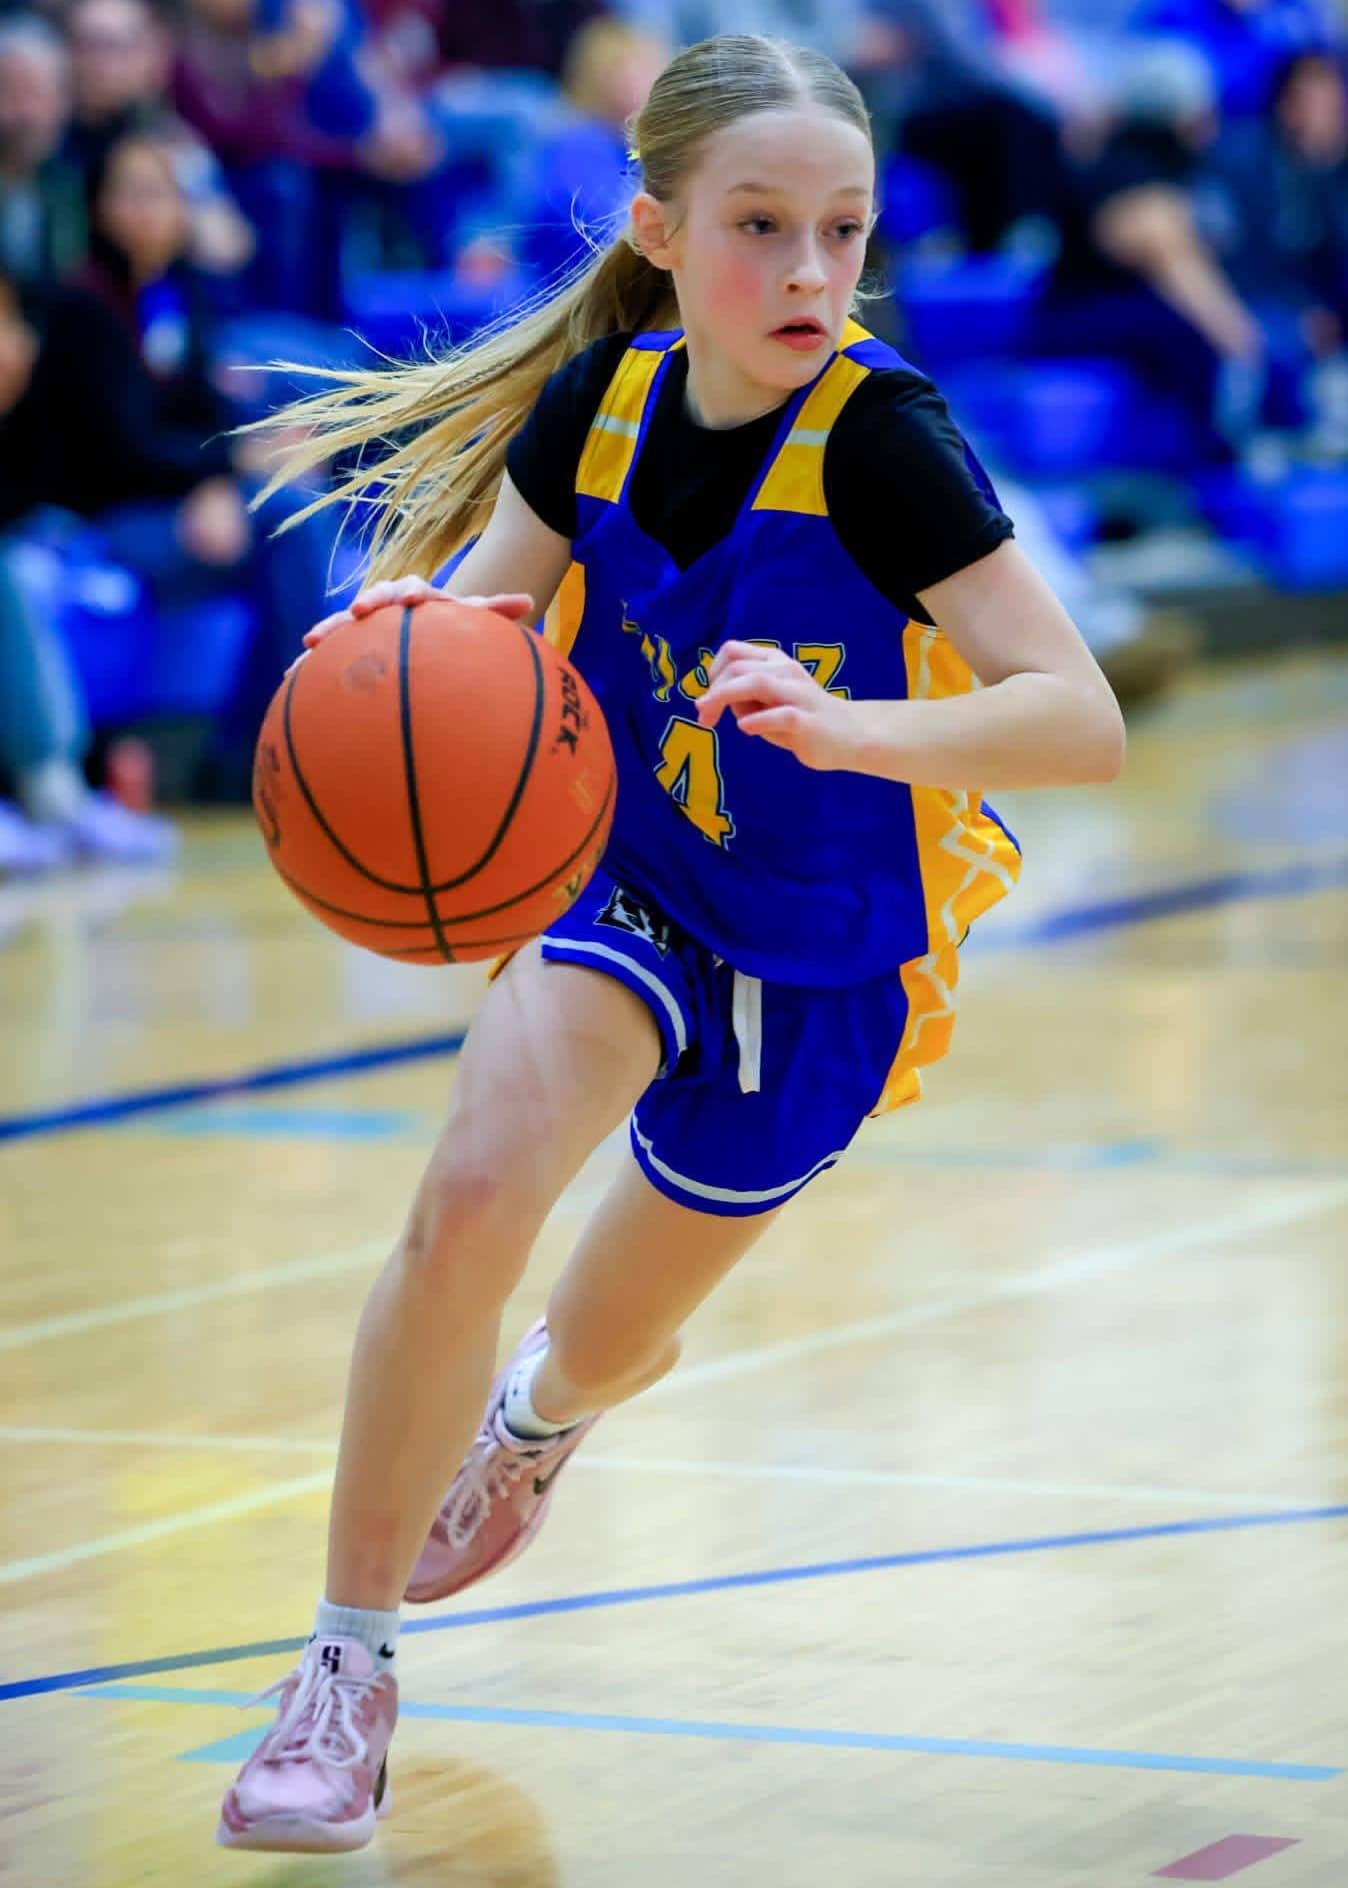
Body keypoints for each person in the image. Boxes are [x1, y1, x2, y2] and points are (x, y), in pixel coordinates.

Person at [216, 31, 1124, 1855]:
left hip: (823, 959)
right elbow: (490, 625)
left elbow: (1078, 715)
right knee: (471, 1198)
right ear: (658, 228)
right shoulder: (607, 407)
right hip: (624, 889)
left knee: (607, 1339)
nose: (805, 273)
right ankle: (341, 1672)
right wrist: (419, 637)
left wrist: (859, 726)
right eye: (759, 228)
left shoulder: (886, 443)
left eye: (841, 234)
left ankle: (540, 1422)